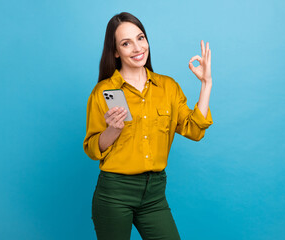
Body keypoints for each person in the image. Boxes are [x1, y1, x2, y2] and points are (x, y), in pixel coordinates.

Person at [83, 12, 213, 240]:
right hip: (114, 193)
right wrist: (112, 130)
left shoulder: (168, 87)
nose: (136, 48)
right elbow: (93, 149)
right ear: (115, 52)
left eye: (140, 38)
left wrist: (206, 84)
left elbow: (194, 130)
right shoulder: (103, 92)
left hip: (154, 194)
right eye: (126, 43)